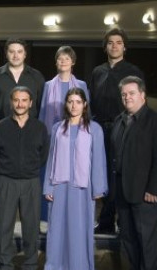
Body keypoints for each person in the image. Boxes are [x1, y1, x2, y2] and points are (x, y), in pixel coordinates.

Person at [110, 76, 157, 270]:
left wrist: (153, 189)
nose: (127, 97)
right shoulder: (119, 121)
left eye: (132, 93)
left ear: (143, 95)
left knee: (148, 247)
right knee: (129, 244)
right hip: (124, 194)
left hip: (147, 196)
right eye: (124, 94)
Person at [43, 88, 107, 270]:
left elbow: (98, 159)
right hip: (60, 185)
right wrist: (48, 186)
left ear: (85, 105)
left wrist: (98, 188)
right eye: (70, 101)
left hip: (82, 187)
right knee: (57, 229)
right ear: (66, 104)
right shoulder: (57, 127)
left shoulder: (95, 129)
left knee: (79, 229)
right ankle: (55, 265)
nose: (74, 105)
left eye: (78, 102)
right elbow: (51, 158)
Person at [0, 38, 45, 232]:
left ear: (25, 54)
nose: (16, 55)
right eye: (12, 51)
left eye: (20, 51)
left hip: (28, 131)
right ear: (6, 53)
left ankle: (32, 221)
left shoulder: (36, 76)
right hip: (2, 131)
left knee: (28, 178)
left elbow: (41, 107)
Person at [89, 28, 145, 234]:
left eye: (119, 42)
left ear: (125, 46)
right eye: (111, 42)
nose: (114, 46)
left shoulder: (133, 71)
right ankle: (104, 220)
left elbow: (139, 104)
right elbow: (93, 101)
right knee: (101, 173)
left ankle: (122, 220)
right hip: (100, 128)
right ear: (105, 47)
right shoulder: (98, 71)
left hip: (124, 128)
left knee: (120, 174)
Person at [0, 86, 49, 270]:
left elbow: (43, 155)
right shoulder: (0, 127)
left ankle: (31, 264)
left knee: (31, 227)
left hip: (31, 182)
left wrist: (29, 170)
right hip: (6, 181)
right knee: (4, 226)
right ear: (11, 102)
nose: (20, 104)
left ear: (31, 103)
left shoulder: (40, 128)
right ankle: (5, 264)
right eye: (16, 100)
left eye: (24, 100)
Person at [38, 45, 89, 225]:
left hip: (75, 136)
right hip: (53, 137)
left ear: (73, 62)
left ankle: (73, 214)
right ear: (56, 62)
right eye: (60, 58)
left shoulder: (81, 85)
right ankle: (46, 217)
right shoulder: (48, 85)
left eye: (67, 58)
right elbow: (43, 113)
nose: (63, 62)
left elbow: (86, 112)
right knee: (50, 175)